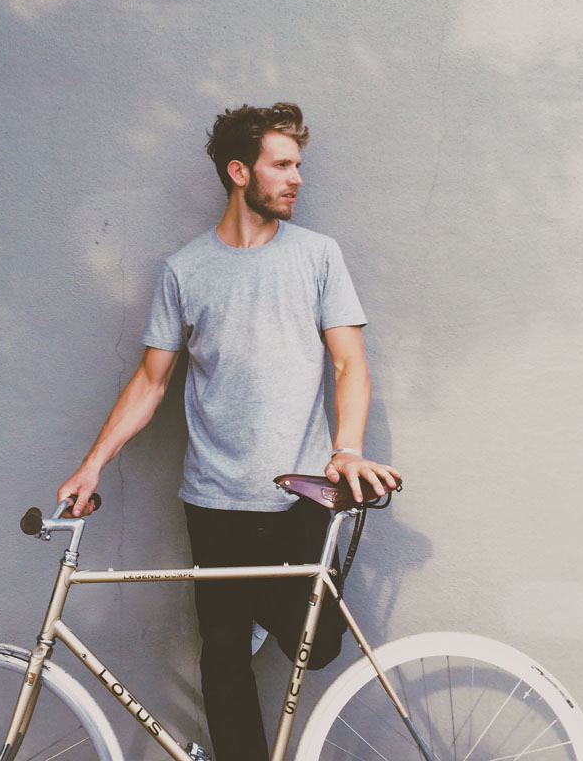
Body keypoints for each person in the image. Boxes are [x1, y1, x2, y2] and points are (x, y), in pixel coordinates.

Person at [58, 102, 400, 761]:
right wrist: (93, 463)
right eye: (282, 165)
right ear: (240, 172)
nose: (297, 178)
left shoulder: (318, 256)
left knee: (319, 643)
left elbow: (349, 364)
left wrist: (347, 450)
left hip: (299, 494)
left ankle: (258, 601)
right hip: (213, 499)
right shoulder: (185, 270)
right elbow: (151, 382)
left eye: (298, 165)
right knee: (222, 655)